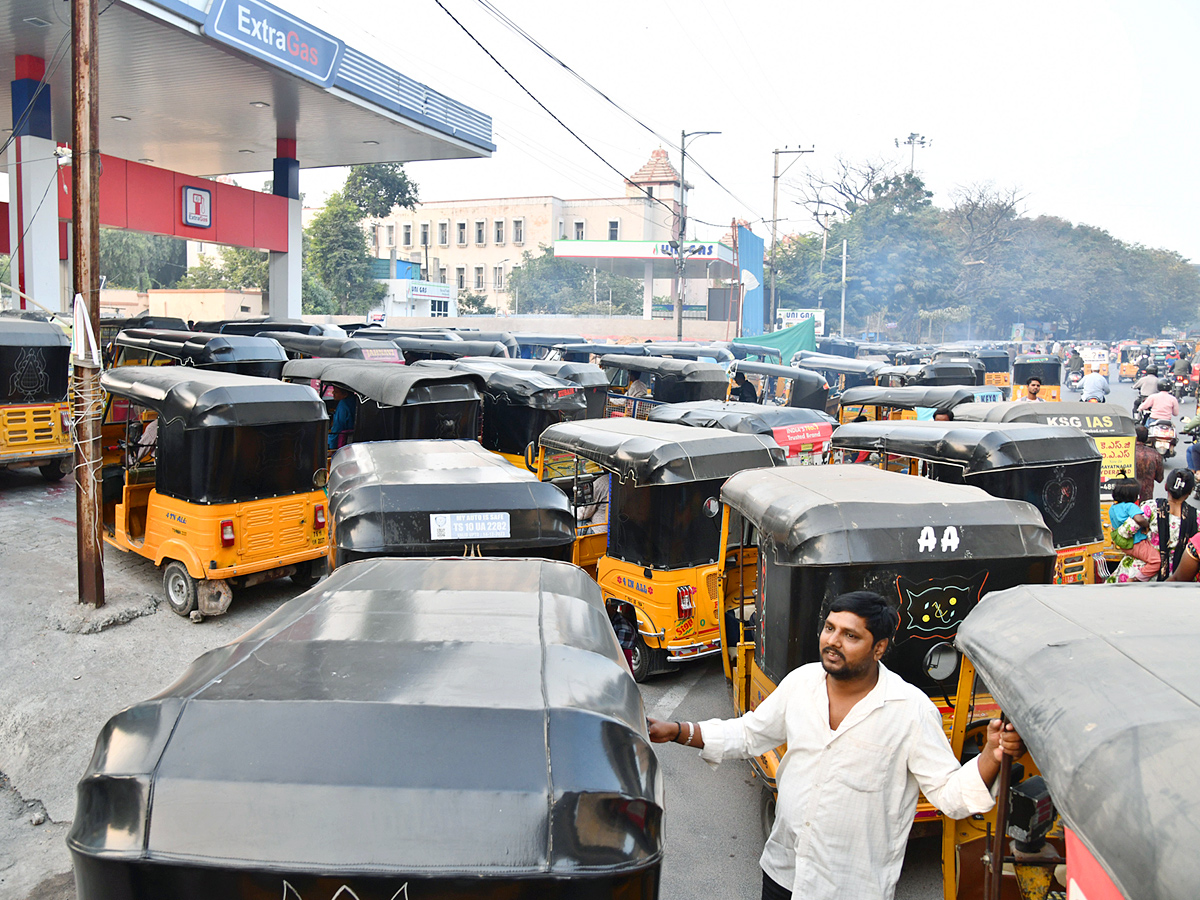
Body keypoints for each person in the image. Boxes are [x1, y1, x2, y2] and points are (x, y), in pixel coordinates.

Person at [646, 591, 1025, 900]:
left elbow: (950, 794)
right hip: (784, 872)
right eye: (830, 628)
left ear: (879, 648)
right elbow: (749, 734)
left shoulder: (910, 711)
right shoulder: (802, 683)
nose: (833, 641)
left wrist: (993, 754)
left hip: (851, 888)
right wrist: (677, 730)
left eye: (850, 635)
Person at [1107, 468, 1197, 583]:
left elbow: (1125, 532)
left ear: (1165, 487)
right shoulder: (1196, 517)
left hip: (1141, 576)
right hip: (1178, 579)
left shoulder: (1150, 508)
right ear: (1189, 492)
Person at [1108, 478, 1159, 581]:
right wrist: (1146, 524)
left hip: (1124, 545)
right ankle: (1136, 579)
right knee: (1156, 561)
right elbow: (1139, 519)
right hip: (1137, 543)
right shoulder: (1130, 506)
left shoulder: (1112, 508)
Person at [1134, 425, 1164, 503]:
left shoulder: (1126, 453)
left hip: (1128, 495)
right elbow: (1160, 478)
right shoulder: (1155, 454)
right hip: (1146, 498)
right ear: (1147, 438)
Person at [327, 385, 357, 450]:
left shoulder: (343, 406)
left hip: (342, 442)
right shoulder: (355, 401)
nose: (333, 393)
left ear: (345, 394)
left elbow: (338, 427)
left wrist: (332, 447)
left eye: (336, 392)